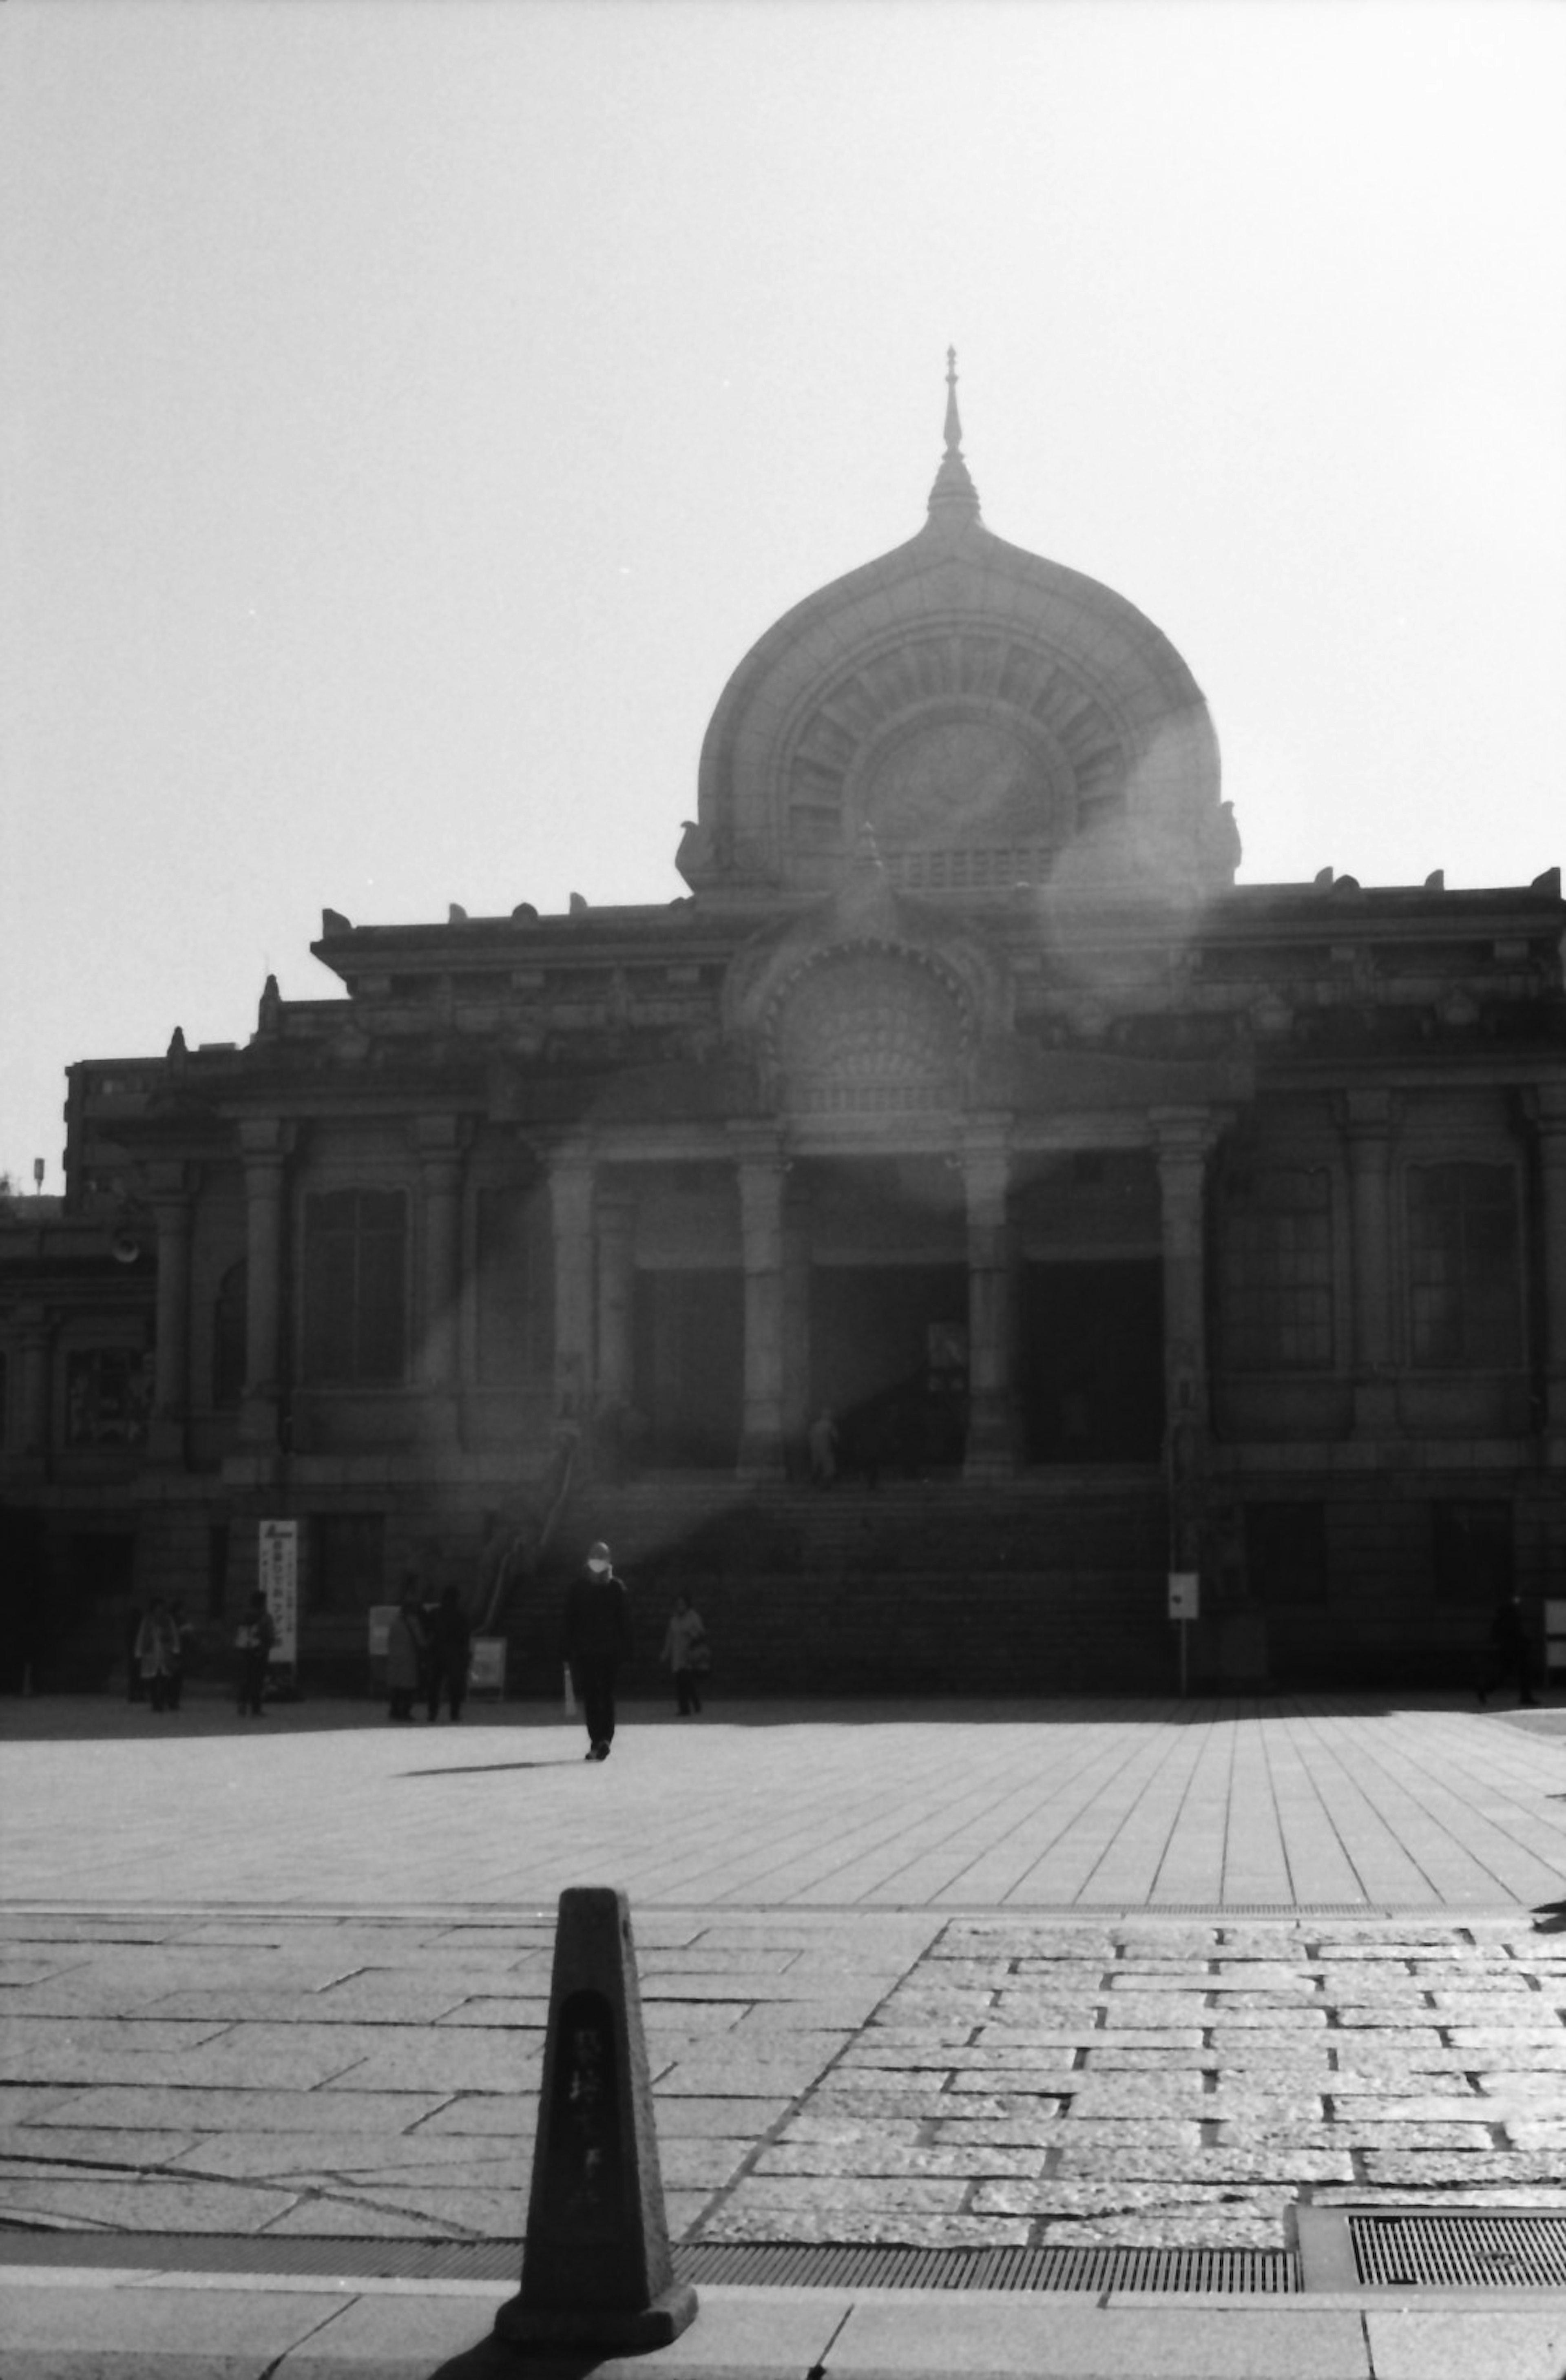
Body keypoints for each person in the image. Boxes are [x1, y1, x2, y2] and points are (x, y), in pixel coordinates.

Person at [562, 1539, 631, 1761]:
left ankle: (605, 1739)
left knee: (605, 1694)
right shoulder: (578, 1589)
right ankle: (597, 1739)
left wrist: (626, 1646)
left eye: (602, 1557)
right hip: (587, 1650)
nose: (598, 1561)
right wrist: (568, 1646)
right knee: (592, 1695)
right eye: (595, 1556)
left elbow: (624, 1621)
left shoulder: (616, 1588)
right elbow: (570, 1620)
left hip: (609, 1650)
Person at [1478, 1589, 1539, 1708]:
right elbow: (1514, 1632)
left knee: (1508, 1673)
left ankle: (1485, 1689)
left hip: (1510, 1648)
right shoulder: (1511, 1614)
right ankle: (1485, 1689)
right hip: (1514, 1648)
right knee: (1514, 1673)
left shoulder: (1505, 1615)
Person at [428, 1585, 472, 1722]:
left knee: (434, 1685)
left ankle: (433, 1712)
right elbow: (465, 1636)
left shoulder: (434, 1613)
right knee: (455, 1685)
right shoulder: (460, 1615)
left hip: (436, 1652)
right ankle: (454, 1713)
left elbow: (428, 1631)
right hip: (454, 1653)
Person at [660, 1593, 708, 1716]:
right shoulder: (674, 1620)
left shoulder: (693, 1617)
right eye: (678, 1604)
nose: (680, 1607)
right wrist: (666, 1653)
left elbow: (701, 1633)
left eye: (682, 1604)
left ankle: (689, 1706)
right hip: (677, 1656)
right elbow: (670, 1638)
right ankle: (688, 1706)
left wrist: (691, 1633)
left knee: (686, 1681)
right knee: (681, 1683)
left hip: (690, 1655)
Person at [386, 1588, 427, 1723]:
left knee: (397, 1686)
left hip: (395, 1658)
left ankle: (394, 1710)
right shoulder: (413, 1622)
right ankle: (405, 1711)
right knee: (408, 1687)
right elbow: (420, 1640)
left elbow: (390, 1640)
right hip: (409, 1658)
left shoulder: (395, 1622)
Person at [234, 1591, 275, 1717]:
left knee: (246, 1677)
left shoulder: (244, 1616)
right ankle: (256, 1708)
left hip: (245, 1650)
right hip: (259, 1650)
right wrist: (267, 1646)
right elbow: (269, 1635)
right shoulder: (265, 1617)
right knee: (258, 1680)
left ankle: (242, 1704)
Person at [134, 1599, 179, 1713]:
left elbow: (174, 1634)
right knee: (153, 1679)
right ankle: (155, 1702)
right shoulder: (148, 1621)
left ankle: (162, 1700)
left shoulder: (168, 1621)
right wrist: (139, 1651)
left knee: (164, 1678)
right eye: (157, 1608)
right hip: (151, 1652)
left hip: (165, 1652)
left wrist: (176, 1649)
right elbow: (142, 1635)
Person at [166, 1600, 195, 1711]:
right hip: (173, 1652)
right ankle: (170, 1699)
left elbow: (191, 1638)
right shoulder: (172, 1621)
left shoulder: (184, 1622)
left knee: (178, 1678)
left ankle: (175, 1700)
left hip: (182, 1652)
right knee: (172, 1677)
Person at [807, 1407, 839, 1486]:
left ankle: (815, 1481)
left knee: (816, 1464)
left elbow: (810, 1436)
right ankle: (826, 1484)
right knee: (828, 1466)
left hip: (815, 1447)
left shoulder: (816, 1424)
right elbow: (836, 1436)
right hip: (825, 1447)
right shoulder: (829, 1424)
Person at [124, 1603, 146, 1703]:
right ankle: (138, 1694)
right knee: (139, 1675)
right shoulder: (139, 1627)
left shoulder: (130, 1627)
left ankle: (134, 1695)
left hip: (133, 1652)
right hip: (137, 1652)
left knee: (134, 1676)